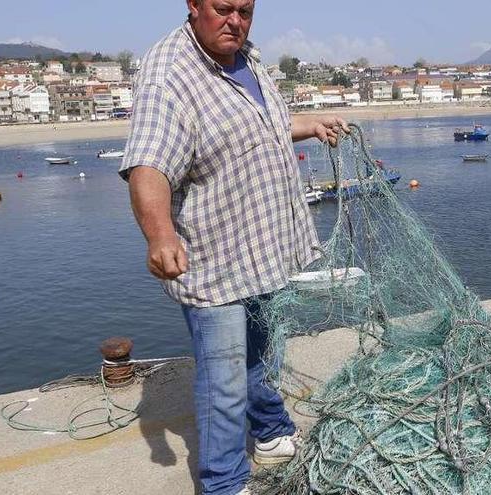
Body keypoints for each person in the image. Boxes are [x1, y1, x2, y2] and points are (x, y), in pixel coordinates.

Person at [119, 1, 348, 494]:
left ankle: (269, 434)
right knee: (222, 382)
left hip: (264, 249)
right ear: (194, 5)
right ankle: (224, 483)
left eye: (246, 10)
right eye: (223, 8)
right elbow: (148, 166)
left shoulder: (245, 56)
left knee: (260, 357)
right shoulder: (169, 74)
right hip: (215, 262)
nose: (235, 21)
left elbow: (257, 123)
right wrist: (160, 235)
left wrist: (307, 124)